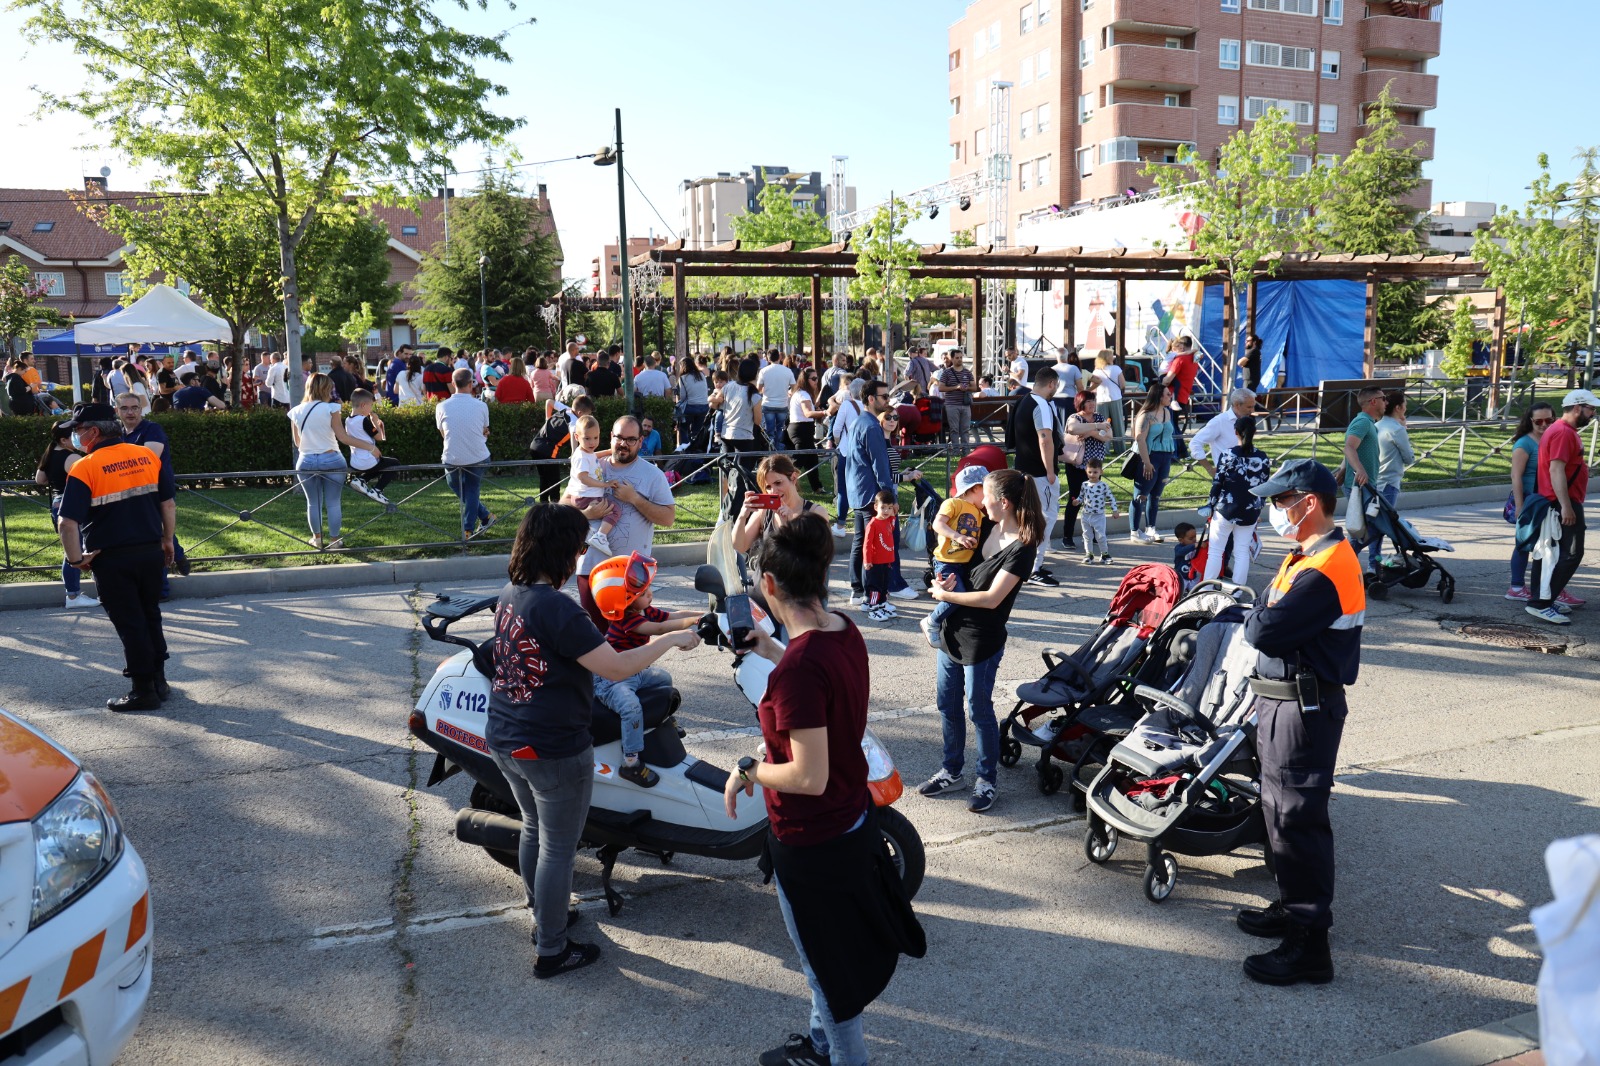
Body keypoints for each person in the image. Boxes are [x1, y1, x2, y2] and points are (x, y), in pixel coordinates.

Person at [721, 512, 925, 1066]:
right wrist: (767, 647)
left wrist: (748, 769)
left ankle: (842, 1057)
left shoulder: (798, 671)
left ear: (768, 586)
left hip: (813, 839)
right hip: (850, 817)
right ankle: (817, 1046)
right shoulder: (841, 628)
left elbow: (806, 777)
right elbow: (815, 676)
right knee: (830, 962)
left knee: (825, 972)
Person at [488, 505, 699, 979]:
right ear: (562, 550)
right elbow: (617, 667)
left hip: (505, 736)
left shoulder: (509, 593)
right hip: (552, 746)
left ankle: (545, 912)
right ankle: (552, 948)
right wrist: (672, 641)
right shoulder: (557, 607)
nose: (581, 557)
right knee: (559, 848)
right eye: (580, 547)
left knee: (534, 830)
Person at [1236, 458, 1365, 986]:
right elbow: (1266, 616)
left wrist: (1259, 618)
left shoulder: (1327, 566)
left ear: (1308, 503)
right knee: (1276, 813)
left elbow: (1263, 630)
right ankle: (1291, 906)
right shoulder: (1305, 555)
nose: (1273, 510)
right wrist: (1262, 616)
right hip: (1280, 703)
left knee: (1297, 822)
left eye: (1280, 501)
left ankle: (1310, 943)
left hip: (1302, 709)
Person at [919, 469, 1044, 814]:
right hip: (952, 633)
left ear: (1003, 502)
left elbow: (991, 599)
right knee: (947, 705)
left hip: (982, 640)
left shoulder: (1022, 547)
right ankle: (952, 771)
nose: (980, 502)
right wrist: (942, 582)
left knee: (978, 710)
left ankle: (986, 779)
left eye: (986, 496)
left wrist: (940, 596)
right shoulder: (983, 526)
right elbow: (951, 559)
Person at [55, 402, 177, 711]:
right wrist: (167, 541)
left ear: (93, 432)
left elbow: (67, 521)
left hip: (112, 559)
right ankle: (160, 682)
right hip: (151, 551)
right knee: (150, 615)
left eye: (78, 431)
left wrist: (74, 559)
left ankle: (143, 690)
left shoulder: (86, 466)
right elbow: (168, 503)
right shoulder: (147, 456)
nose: (76, 437)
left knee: (131, 623)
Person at [590, 552, 700, 787]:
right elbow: (660, 629)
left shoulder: (643, 610)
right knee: (631, 708)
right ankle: (630, 763)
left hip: (634, 671)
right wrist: (681, 630)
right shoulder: (627, 622)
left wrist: (699, 616)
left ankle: (662, 719)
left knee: (664, 679)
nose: (650, 593)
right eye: (642, 593)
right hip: (612, 680)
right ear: (624, 601)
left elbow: (671, 616)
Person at [573, 416, 677, 631]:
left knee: (630, 637)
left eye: (631, 439)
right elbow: (566, 505)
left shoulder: (653, 475)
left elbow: (668, 518)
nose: (623, 444)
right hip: (590, 569)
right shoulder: (590, 466)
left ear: (640, 442)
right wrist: (586, 513)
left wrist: (635, 499)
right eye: (619, 437)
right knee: (595, 638)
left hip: (630, 574)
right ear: (611, 437)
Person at [1526, 388, 1596, 624]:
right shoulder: (1563, 432)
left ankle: (1544, 598)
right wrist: (1566, 506)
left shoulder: (1561, 430)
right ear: (1577, 408)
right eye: (1590, 409)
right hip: (1561, 502)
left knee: (1550, 554)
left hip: (1559, 500)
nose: (1593, 413)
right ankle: (1540, 603)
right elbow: (1556, 470)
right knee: (1570, 553)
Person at [290, 374, 374, 550]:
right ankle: (335, 540)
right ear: (327, 389)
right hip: (332, 459)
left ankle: (317, 538)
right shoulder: (331, 408)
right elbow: (343, 437)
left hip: (306, 459)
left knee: (313, 502)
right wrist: (370, 447)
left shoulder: (296, 411)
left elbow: (298, 443)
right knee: (333, 502)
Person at [116, 391, 189, 593]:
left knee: (157, 534)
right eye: (125, 408)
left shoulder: (152, 429)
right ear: (117, 411)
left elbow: (147, 460)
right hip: (129, 490)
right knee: (153, 533)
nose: (130, 412)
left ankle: (162, 588)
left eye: (134, 408)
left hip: (157, 490)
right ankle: (179, 554)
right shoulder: (117, 434)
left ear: (141, 409)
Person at [840, 381, 896, 607]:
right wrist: (890, 498)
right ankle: (869, 596)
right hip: (871, 493)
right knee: (872, 545)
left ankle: (858, 589)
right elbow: (880, 466)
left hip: (858, 489)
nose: (887, 401)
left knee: (861, 540)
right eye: (883, 397)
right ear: (871, 399)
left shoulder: (858, 422)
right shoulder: (872, 426)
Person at [1007, 366, 1063, 586]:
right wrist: (1050, 470)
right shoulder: (1042, 404)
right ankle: (1034, 567)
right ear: (1051, 383)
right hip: (1039, 473)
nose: (1056, 390)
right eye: (1056, 386)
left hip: (1024, 469)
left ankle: (1030, 564)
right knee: (1044, 518)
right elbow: (1045, 439)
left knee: (1029, 519)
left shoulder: (1024, 401)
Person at [920, 465, 987, 647]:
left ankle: (948, 627)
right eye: (986, 489)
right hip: (946, 562)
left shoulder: (979, 512)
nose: (989, 495)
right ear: (974, 488)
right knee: (957, 596)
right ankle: (932, 621)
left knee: (963, 599)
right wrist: (957, 536)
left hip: (963, 563)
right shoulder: (953, 503)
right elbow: (938, 525)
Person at [1204, 415, 1273, 585]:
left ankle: (1206, 588)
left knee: (1215, 551)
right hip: (1250, 510)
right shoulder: (1263, 458)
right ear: (1255, 432)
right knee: (1242, 551)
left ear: (1236, 432)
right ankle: (1238, 590)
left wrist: (1210, 505)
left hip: (1225, 508)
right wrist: (1258, 508)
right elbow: (1264, 487)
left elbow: (1217, 482)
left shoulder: (1228, 454)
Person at [36, 424, 99, 609]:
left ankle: (74, 594)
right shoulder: (71, 457)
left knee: (72, 548)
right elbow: (90, 478)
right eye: (75, 434)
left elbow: (40, 479)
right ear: (63, 440)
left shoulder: (49, 455)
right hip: (74, 505)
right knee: (74, 550)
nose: (79, 437)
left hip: (58, 505)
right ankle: (73, 596)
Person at [436, 368, 495, 540]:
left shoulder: (441, 406)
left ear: (453, 384)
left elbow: (443, 433)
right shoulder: (482, 405)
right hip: (478, 455)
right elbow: (485, 430)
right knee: (471, 490)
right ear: (471, 384)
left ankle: (469, 529)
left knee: (461, 487)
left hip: (451, 456)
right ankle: (484, 517)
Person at [1506, 402, 1554, 603]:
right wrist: (1519, 506)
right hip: (1529, 500)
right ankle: (1516, 586)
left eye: (1549, 420)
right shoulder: (1524, 443)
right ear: (1530, 421)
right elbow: (1516, 476)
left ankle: (1547, 587)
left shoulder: (1550, 438)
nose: (1544, 424)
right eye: (1538, 421)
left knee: (1545, 544)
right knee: (1524, 543)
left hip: (1543, 500)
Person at [1337, 386, 1386, 571]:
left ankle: (1349, 564)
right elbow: (1349, 447)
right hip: (1359, 486)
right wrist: (1360, 470)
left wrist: (1343, 469)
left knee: (1367, 528)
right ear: (1373, 401)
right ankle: (1344, 562)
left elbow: (1352, 448)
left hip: (1363, 484)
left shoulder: (1367, 422)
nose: (1386, 402)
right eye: (1383, 398)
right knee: (1370, 528)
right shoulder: (1363, 422)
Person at [1062, 392, 1113, 552]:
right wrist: (1098, 428)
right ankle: (1067, 536)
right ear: (1080, 403)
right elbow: (1073, 429)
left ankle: (1095, 535)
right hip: (1077, 465)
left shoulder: (1099, 417)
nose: (1092, 404)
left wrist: (1090, 432)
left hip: (1095, 465)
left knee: (1095, 498)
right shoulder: (1075, 417)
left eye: (1093, 401)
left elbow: (1108, 436)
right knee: (1076, 498)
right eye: (1088, 401)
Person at [564, 413, 622, 554]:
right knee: (616, 510)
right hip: (587, 497)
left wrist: (609, 451)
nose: (592, 443)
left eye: (596, 438)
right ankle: (600, 537)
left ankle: (591, 535)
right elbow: (583, 478)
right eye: (587, 438)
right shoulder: (582, 457)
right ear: (577, 437)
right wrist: (605, 484)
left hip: (583, 496)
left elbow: (593, 455)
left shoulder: (584, 452)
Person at [1130, 381, 1177, 544]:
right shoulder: (1145, 415)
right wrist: (1147, 462)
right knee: (1141, 495)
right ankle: (1135, 531)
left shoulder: (1166, 412)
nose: (1170, 396)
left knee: (1155, 496)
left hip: (1165, 457)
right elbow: (1140, 439)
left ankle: (1151, 528)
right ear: (1158, 396)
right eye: (1167, 394)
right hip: (1149, 457)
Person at [1374, 393, 1416, 556]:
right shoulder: (1397, 430)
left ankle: (1373, 563)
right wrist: (1404, 429)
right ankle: (1373, 563)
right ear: (1398, 408)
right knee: (1382, 525)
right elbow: (1408, 458)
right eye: (1405, 404)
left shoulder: (1377, 426)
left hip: (1374, 481)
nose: (1406, 407)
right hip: (1389, 483)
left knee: (1374, 524)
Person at [345, 390, 400, 505]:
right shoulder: (363, 420)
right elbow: (379, 437)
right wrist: (375, 422)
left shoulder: (348, 420)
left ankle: (362, 480)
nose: (371, 409)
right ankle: (377, 490)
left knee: (382, 464)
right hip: (367, 460)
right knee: (395, 464)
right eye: (371, 405)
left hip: (355, 461)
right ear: (363, 405)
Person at [1188, 389, 1258, 478]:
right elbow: (1195, 443)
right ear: (1237, 404)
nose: (1252, 410)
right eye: (1249, 407)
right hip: (1227, 475)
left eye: (1253, 406)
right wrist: (1209, 469)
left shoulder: (1248, 420)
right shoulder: (1219, 421)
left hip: (1249, 473)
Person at [786, 367, 827, 493]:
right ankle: (785, 484)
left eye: (817, 378)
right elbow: (808, 413)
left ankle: (817, 487)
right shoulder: (803, 394)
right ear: (805, 379)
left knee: (812, 460)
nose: (816, 381)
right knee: (798, 461)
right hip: (801, 430)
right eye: (813, 379)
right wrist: (825, 412)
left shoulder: (800, 393)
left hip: (802, 429)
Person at [861, 489, 899, 622]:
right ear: (876, 507)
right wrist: (867, 560)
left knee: (884, 585)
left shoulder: (888, 521)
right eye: (883, 507)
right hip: (876, 562)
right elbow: (866, 544)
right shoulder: (873, 524)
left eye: (889, 508)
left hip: (887, 561)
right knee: (875, 587)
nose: (886, 511)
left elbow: (892, 527)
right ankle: (873, 608)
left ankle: (882, 605)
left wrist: (894, 514)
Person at [1075, 459, 1119, 565]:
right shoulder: (1084, 484)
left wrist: (1115, 510)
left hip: (1098, 516)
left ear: (1101, 472)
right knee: (1087, 535)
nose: (1092, 474)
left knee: (1100, 536)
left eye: (1095, 472)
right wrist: (1077, 501)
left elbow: (1111, 498)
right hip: (1085, 515)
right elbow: (1081, 497)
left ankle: (1104, 554)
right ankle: (1089, 554)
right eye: (1090, 472)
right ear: (1086, 471)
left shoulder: (1103, 486)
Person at [937, 349, 976, 453]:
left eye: (961, 357)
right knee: (954, 429)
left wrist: (966, 388)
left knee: (965, 429)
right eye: (957, 358)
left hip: (965, 404)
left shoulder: (967, 372)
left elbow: (974, 387)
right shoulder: (947, 372)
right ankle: (955, 451)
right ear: (952, 359)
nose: (959, 360)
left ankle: (966, 451)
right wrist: (956, 387)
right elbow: (941, 388)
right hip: (952, 405)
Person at [758, 353, 795, 448]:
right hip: (782, 404)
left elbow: (758, 388)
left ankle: (771, 447)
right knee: (780, 429)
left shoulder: (764, 371)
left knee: (769, 429)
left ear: (768, 359)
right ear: (779, 358)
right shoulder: (787, 371)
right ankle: (778, 448)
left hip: (768, 403)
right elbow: (794, 387)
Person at [1163, 336, 1201, 425]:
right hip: (1184, 395)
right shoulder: (1195, 360)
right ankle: (1179, 439)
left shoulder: (1179, 359)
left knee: (1171, 426)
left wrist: (1162, 381)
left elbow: (1168, 380)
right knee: (1174, 425)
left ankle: (1178, 439)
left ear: (1182, 347)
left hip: (1172, 396)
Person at [1089, 350, 1126, 441]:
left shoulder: (1096, 371)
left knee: (1102, 425)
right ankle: (1120, 447)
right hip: (1115, 398)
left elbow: (1093, 388)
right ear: (1108, 357)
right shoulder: (1116, 368)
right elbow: (1123, 384)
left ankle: (1104, 446)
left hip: (1101, 399)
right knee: (1118, 424)